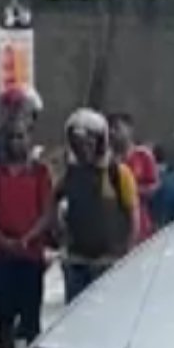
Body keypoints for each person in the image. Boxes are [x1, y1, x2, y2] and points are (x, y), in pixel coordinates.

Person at [0, 124, 53, 348]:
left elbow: (47, 212)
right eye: (11, 137)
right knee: (4, 321)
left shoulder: (40, 173)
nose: (16, 142)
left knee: (32, 323)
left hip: (31, 257)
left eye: (21, 136)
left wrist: (28, 238)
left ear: (30, 139)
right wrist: (0, 237)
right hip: (1, 256)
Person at [54, 109, 140, 304]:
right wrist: (58, 232)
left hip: (109, 262)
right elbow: (53, 200)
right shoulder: (70, 174)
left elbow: (133, 215)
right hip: (77, 261)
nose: (83, 148)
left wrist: (127, 252)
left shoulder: (118, 173)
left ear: (101, 141)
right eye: (77, 143)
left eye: (89, 142)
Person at [107, 112, 160, 241]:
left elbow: (155, 186)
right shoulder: (106, 159)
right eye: (110, 129)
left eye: (117, 128)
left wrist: (131, 191)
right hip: (113, 222)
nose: (113, 133)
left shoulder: (143, 155)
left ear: (129, 129)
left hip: (140, 221)